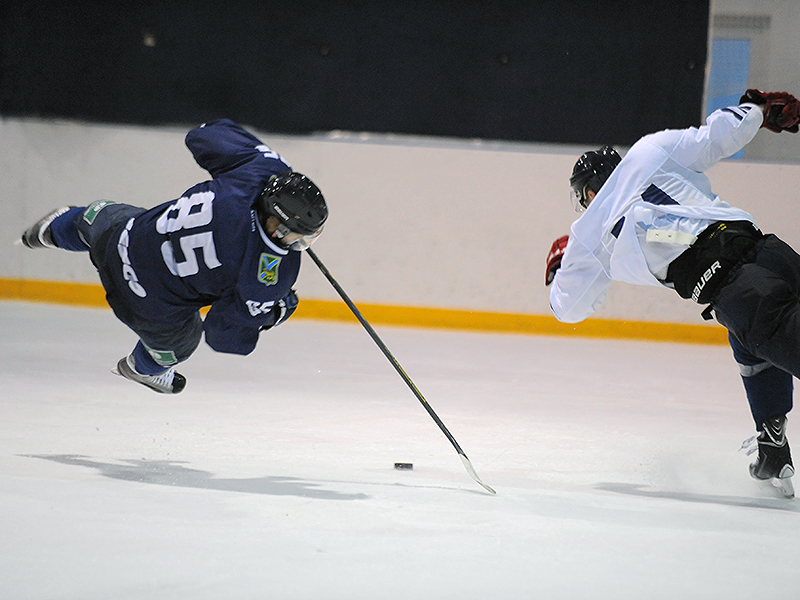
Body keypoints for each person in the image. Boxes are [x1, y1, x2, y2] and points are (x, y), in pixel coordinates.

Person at [545, 89, 800, 497]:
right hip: (772, 252)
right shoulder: (650, 149)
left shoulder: (589, 231)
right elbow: (718, 136)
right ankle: (772, 443)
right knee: (746, 342)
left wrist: (559, 269)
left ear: (589, 192)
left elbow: (569, 308)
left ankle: (772, 438)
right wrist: (758, 111)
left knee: (749, 324)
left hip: (735, 287)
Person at [19, 119, 328, 394]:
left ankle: (51, 231)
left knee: (95, 218)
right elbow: (223, 336)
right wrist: (271, 314)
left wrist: (267, 160)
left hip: (122, 239)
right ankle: (143, 368)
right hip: (143, 304)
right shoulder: (267, 276)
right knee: (183, 340)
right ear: (274, 221)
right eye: (294, 234)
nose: (298, 243)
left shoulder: (258, 174)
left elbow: (203, 135)